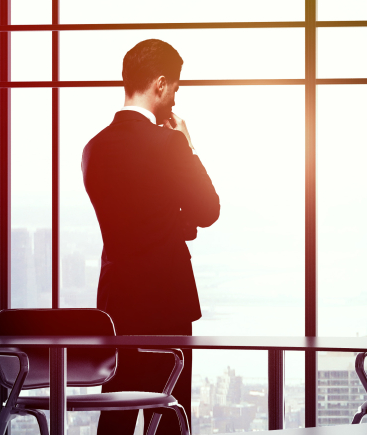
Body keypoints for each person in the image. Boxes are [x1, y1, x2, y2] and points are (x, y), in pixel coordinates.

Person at [82, 39, 219, 435]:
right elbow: (208, 210)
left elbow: (129, 216)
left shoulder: (93, 149)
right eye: (175, 87)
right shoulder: (169, 143)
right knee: (168, 413)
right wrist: (188, 146)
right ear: (160, 84)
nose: (176, 97)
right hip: (166, 304)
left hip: (116, 305)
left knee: (116, 414)